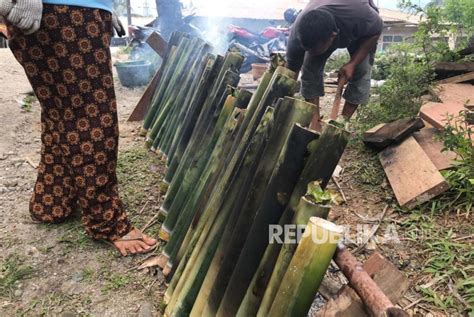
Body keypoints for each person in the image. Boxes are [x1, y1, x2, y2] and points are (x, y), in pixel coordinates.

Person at [0, 0, 157, 256]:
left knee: (60, 114)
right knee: (93, 119)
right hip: (66, 15)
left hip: (66, 12)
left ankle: (51, 202)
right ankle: (106, 221)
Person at [286, 0, 383, 131]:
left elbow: (376, 31)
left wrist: (353, 63)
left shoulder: (360, 15)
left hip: (363, 32)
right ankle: (315, 124)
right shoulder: (299, 32)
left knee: (362, 70)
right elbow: (291, 71)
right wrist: (283, 101)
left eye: (316, 49)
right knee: (309, 70)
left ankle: (341, 124)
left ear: (333, 37)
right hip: (327, 27)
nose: (312, 53)